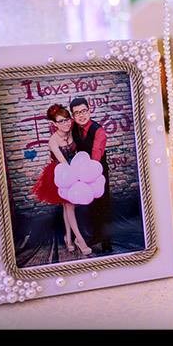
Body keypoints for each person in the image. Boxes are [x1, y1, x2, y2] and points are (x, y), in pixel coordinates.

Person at [32, 104, 92, 256]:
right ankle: (80, 240)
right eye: (61, 121)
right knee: (69, 205)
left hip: (75, 167)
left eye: (67, 119)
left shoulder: (73, 131)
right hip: (63, 173)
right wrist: (75, 176)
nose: (65, 123)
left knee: (67, 207)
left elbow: (79, 152)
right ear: (54, 124)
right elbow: (63, 162)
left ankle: (68, 238)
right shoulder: (53, 141)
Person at [70, 97, 113, 254]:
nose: (81, 115)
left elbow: (96, 155)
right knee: (91, 205)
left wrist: (87, 173)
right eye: (77, 113)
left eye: (84, 111)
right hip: (83, 171)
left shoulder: (98, 131)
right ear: (73, 116)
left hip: (98, 171)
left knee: (103, 205)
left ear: (89, 110)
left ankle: (107, 243)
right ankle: (96, 236)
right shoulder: (74, 128)